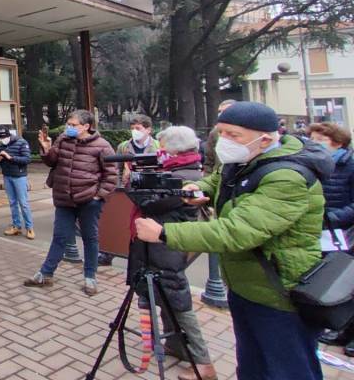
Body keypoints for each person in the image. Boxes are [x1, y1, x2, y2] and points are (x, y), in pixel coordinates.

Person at [135, 101, 330, 380]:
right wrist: (195, 189)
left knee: (287, 369)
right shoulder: (245, 159)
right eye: (221, 132)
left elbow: (237, 232)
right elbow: (216, 181)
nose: (224, 141)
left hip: (279, 292)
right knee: (252, 366)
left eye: (233, 134)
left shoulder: (287, 176)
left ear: (264, 138)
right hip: (246, 286)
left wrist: (164, 233)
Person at [128, 126, 216, 380]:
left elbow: (146, 200)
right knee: (165, 294)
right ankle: (177, 346)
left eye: (163, 146)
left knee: (176, 298)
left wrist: (137, 179)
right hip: (158, 241)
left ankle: (203, 362)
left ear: (174, 149)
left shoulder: (184, 175)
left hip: (167, 242)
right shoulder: (176, 168)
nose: (159, 150)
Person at [24, 110, 116, 296]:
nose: (69, 128)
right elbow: (52, 162)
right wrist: (46, 149)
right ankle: (45, 274)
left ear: (86, 126)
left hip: (89, 200)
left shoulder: (102, 146)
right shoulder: (63, 140)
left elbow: (111, 175)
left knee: (90, 238)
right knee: (60, 237)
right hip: (64, 199)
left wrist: (98, 196)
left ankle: (90, 277)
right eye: (69, 124)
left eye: (73, 125)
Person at [308, 122, 354, 356]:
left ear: (338, 142)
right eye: (312, 139)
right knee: (329, 280)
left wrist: (332, 218)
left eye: (320, 140)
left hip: (343, 232)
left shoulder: (350, 164)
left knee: (348, 282)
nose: (314, 143)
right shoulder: (316, 165)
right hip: (324, 231)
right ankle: (340, 329)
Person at [98, 115, 160, 266]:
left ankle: (148, 257)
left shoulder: (158, 146)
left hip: (151, 192)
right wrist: (119, 186)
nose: (134, 131)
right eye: (132, 128)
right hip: (128, 192)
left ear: (148, 129)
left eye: (138, 128)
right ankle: (110, 253)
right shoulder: (124, 146)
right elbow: (116, 169)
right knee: (124, 223)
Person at [0, 127, 34, 239]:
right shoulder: (1, 145)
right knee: (12, 202)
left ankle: (30, 228)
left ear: (9, 135)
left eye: (4, 137)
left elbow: (27, 159)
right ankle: (16, 226)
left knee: (23, 203)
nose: (3, 139)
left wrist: (10, 157)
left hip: (19, 176)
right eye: (1, 137)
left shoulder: (21, 142)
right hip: (7, 175)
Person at [202, 99, 236, 173]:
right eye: (219, 111)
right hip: (217, 176)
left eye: (225, 111)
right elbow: (209, 160)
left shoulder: (246, 131)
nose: (221, 114)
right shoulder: (214, 132)